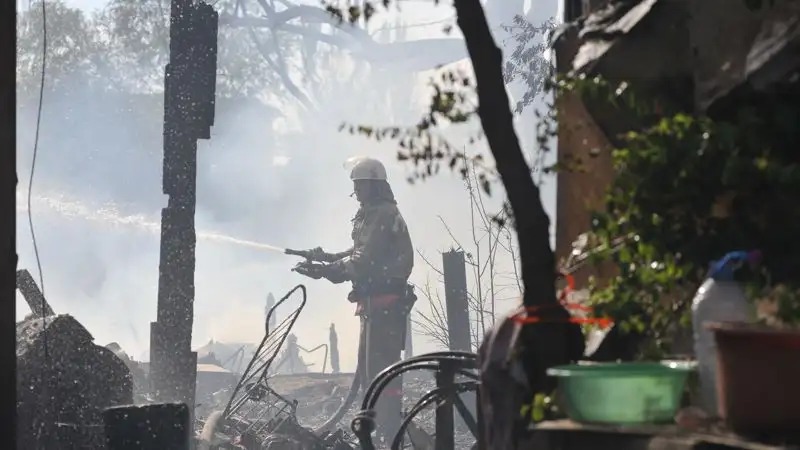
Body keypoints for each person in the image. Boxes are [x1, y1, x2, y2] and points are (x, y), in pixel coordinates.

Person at [292, 157, 415, 443]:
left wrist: (326, 271)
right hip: (375, 307)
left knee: (381, 373)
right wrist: (326, 258)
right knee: (371, 373)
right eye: (355, 186)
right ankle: (376, 432)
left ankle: (387, 433)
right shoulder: (372, 213)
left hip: (386, 307)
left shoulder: (383, 214)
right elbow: (359, 250)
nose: (356, 191)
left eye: (360, 186)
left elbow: (364, 260)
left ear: (374, 186)